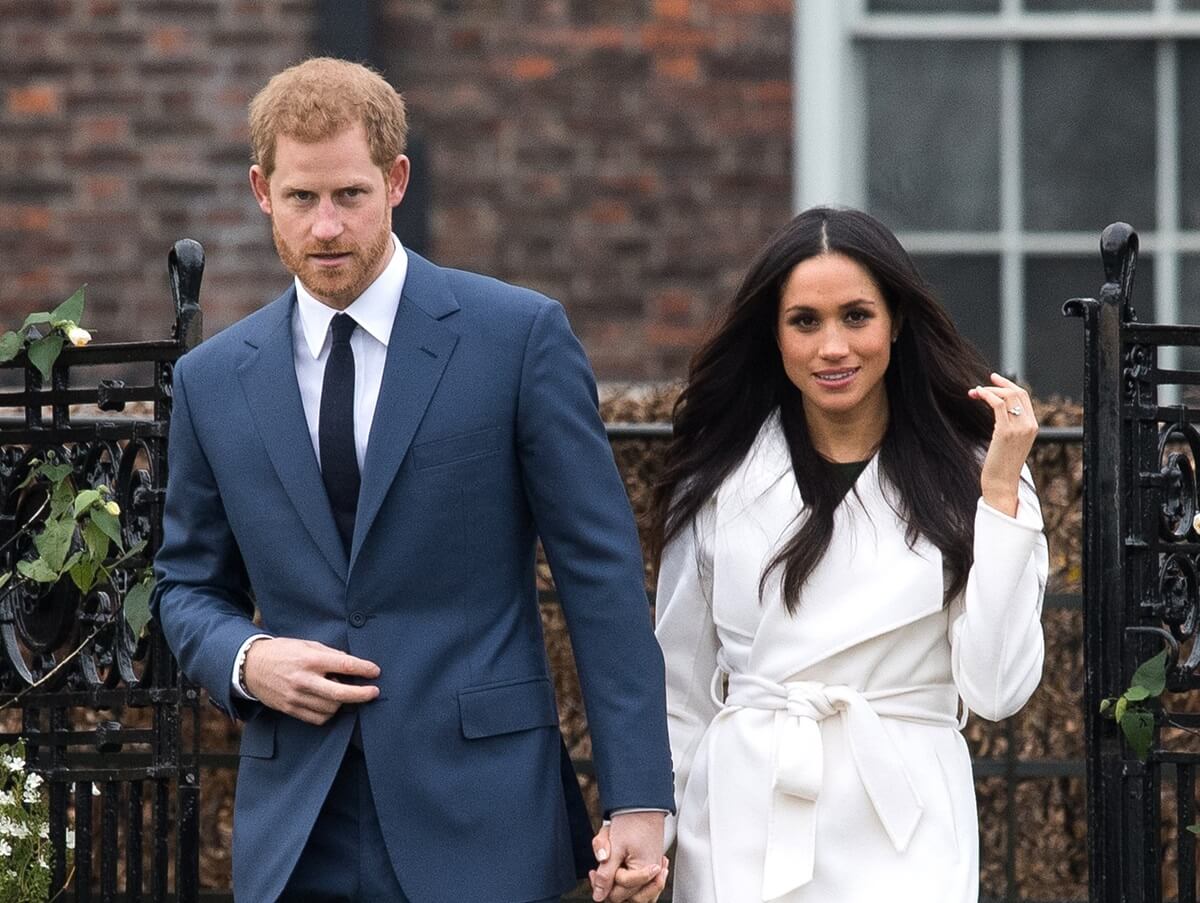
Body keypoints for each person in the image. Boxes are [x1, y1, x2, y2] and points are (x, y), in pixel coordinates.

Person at [152, 57, 672, 903]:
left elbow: (602, 578)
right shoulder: (212, 381)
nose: (326, 228)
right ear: (261, 191)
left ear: (396, 180)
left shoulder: (518, 336)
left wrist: (640, 799)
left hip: (484, 815)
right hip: (297, 828)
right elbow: (184, 584)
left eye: (350, 195)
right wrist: (247, 658)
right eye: (302, 199)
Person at [643, 207, 1048, 901]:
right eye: (805, 321)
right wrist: (655, 833)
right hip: (747, 818)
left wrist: (1003, 496)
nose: (833, 346)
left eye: (856, 316)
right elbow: (680, 685)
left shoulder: (978, 471)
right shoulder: (716, 476)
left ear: (895, 321)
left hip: (904, 821)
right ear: (773, 335)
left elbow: (996, 688)